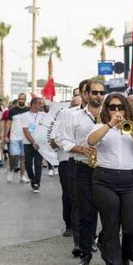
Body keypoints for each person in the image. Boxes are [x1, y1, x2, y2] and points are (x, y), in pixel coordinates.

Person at [88, 93, 133, 265]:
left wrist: (127, 128)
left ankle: (124, 251)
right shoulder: (99, 127)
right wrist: (110, 124)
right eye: (112, 107)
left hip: (129, 180)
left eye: (120, 107)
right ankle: (114, 259)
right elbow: (91, 141)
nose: (116, 110)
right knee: (111, 224)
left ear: (126, 109)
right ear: (106, 109)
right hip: (104, 180)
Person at [59, 80, 105, 265]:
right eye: (94, 92)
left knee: (110, 212)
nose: (98, 96)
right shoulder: (73, 116)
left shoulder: (110, 114)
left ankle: (103, 243)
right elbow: (63, 139)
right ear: (86, 94)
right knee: (86, 212)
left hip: (106, 169)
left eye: (101, 93)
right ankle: (86, 252)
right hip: (83, 167)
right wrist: (79, 149)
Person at [50, 95, 82, 239]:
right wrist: (66, 143)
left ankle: (83, 227)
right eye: (75, 105)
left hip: (82, 162)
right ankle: (69, 225)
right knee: (69, 194)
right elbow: (53, 141)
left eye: (80, 106)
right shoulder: (62, 120)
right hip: (65, 161)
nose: (77, 108)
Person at [21, 97, 48, 192]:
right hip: (28, 143)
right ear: (32, 104)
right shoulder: (24, 115)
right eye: (37, 103)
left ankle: (37, 183)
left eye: (40, 103)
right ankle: (32, 178)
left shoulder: (44, 115)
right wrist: (33, 142)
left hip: (39, 143)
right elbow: (25, 130)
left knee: (38, 163)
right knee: (28, 164)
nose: (39, 105)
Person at [5, 93, 30, 183]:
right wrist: (5, 136)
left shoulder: (28, 111)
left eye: (23, 99)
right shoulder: (12, 111)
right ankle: (11, 170)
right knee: (13, 156)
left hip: (25, 138)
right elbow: (8, 123)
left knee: (23, 158)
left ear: (25, 100)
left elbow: (31, 124)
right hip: (14, 137)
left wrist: (32, 135)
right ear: (18, 99)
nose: (21, 100)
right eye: (19, 99)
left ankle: (22, 176)